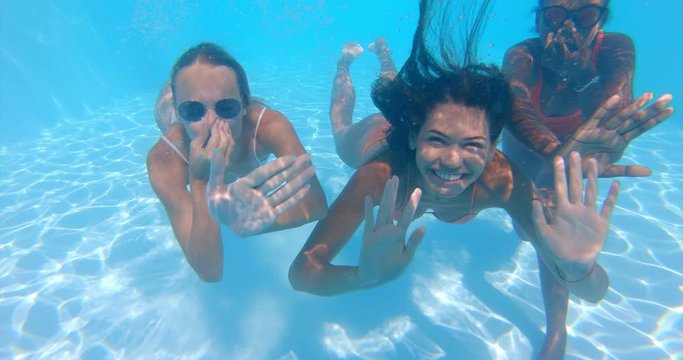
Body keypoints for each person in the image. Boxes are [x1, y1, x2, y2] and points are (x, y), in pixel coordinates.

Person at [289, 1, 619, 358]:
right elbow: (303, 272)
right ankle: (345, 64)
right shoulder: (380, 176)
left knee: (398, 86)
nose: (451, 160)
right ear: (416, 137)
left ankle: (385, 55)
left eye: (473, 145)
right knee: (341, 132)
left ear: (493, 146)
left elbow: (594, 292)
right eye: (437, 139)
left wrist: (576, 268)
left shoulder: (502, 180)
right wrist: (363, 277)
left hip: (441, 172)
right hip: (377, 136)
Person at [147, 42, 327, 282]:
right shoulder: (165, 159)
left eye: (227, 107)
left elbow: (316, 204)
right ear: (181, 115)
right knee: (166, 110)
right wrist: (200, 181)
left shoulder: (268, 127)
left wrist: (251, 224)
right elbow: (209, 271)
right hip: (171, 117)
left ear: (244, 106)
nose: (211, 123)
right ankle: (177, 99)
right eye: (192, 111)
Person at [502, 0, 674, 185]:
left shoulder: (615, 49)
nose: (568, 27)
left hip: (580, 150)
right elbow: (513, 104)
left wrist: (583, 75)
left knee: (554, 210)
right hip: (526, 148)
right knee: (522, 197)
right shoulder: (522, 55)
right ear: (538, 20)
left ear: (601, 20)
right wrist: (556, 154)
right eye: (555, 16)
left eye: (586, 16)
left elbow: (613, 120)